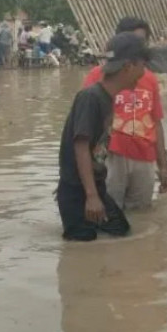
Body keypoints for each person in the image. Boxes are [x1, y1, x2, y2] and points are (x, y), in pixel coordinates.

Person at [57, 32, 151, 241]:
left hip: (94, 187)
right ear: (128, 67)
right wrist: (90, 196)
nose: (144, 73)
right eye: (142, 66)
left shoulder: (107, 98)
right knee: (82, 249)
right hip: (77, 191)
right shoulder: (91, 98)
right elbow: (81, 147)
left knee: (120, 231)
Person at [83, 17, 167, 211]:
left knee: (141, 215)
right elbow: (83, 129)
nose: (136, 47)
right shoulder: (97, 77)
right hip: (111, 156)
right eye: (132, 41)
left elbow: (156, 122)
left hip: (144, 157)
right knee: (108, 211)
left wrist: (163, 166)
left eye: (141, 43)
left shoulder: (149, 79)